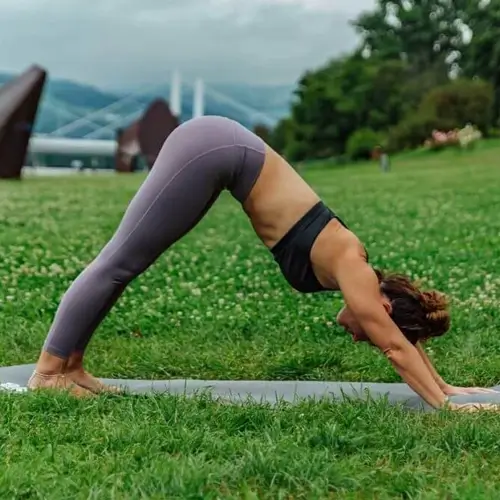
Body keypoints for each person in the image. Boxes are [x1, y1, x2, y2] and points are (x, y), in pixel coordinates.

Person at [28, 115, 497, 412]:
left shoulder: (358, 275)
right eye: (367, 330)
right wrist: (443, 405)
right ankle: (49, 373)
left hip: (223, 155)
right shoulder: (355, 268)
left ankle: (72, 368)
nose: (358, 335)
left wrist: (449, 386)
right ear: (386, 308)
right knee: (120, 260)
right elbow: (395, 348)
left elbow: (400, 342)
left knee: (126, 265)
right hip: (214, 148)